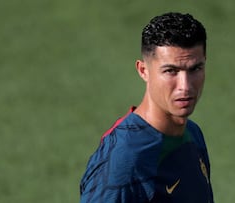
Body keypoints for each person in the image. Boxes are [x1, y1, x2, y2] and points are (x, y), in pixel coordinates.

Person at [80, 12, 214, 203]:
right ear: (144, 70)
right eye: (171, 71)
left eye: (195, 69)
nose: (185, 86)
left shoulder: (193, 133)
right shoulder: (124, 160)